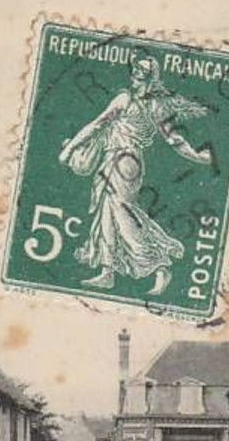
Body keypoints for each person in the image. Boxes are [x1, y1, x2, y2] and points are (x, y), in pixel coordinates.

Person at [58, 54, 214, 296]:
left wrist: (69, 149)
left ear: (149, 79)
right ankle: (108, 272)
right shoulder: (152, 106)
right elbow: (175, 140)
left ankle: (159, 265)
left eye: (139, 76)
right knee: (107, 212)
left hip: (124, 161)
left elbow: (97, 124)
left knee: (121, 213)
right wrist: (198, 156)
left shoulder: (132, 101)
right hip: (116, 160)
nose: (134, 79)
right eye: (133, 74)